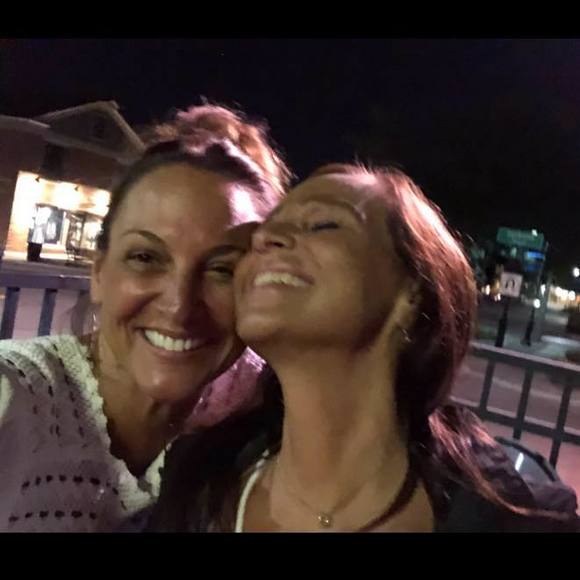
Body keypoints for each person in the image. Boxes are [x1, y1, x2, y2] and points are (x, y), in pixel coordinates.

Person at [147, 163, 578, 532]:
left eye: (323, 224)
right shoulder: (195, 485)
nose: (263, 240)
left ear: (411, 292)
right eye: (261, 233)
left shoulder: (512, 518)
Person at [0, 103, 290, 532]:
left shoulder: (260, 404)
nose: (179, 304)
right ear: (99, 273)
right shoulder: (13, 395)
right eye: (146, 257)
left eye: (222, 269)